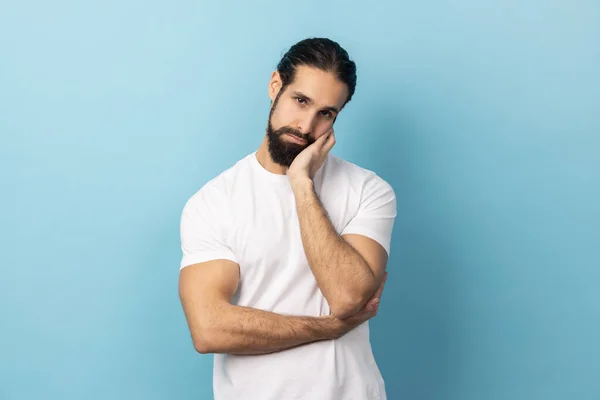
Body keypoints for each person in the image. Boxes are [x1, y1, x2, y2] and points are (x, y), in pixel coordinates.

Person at [178, 37, 397, 400]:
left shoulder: (368, 190)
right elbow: (209, 329)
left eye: (326, 113)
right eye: (300, 101)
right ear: (275, 85)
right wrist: (327, 329)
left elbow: (346, 297)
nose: (306, 125)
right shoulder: (213, 202)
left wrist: (301, 184)